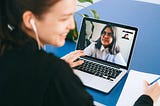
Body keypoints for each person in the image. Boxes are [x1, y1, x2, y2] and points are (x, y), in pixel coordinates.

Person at [0, 0, 160, 106]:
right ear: (30, 19)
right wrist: (147, 99)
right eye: (64, 18)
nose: (71, 25)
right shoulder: (55, 74)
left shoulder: (7, 50)